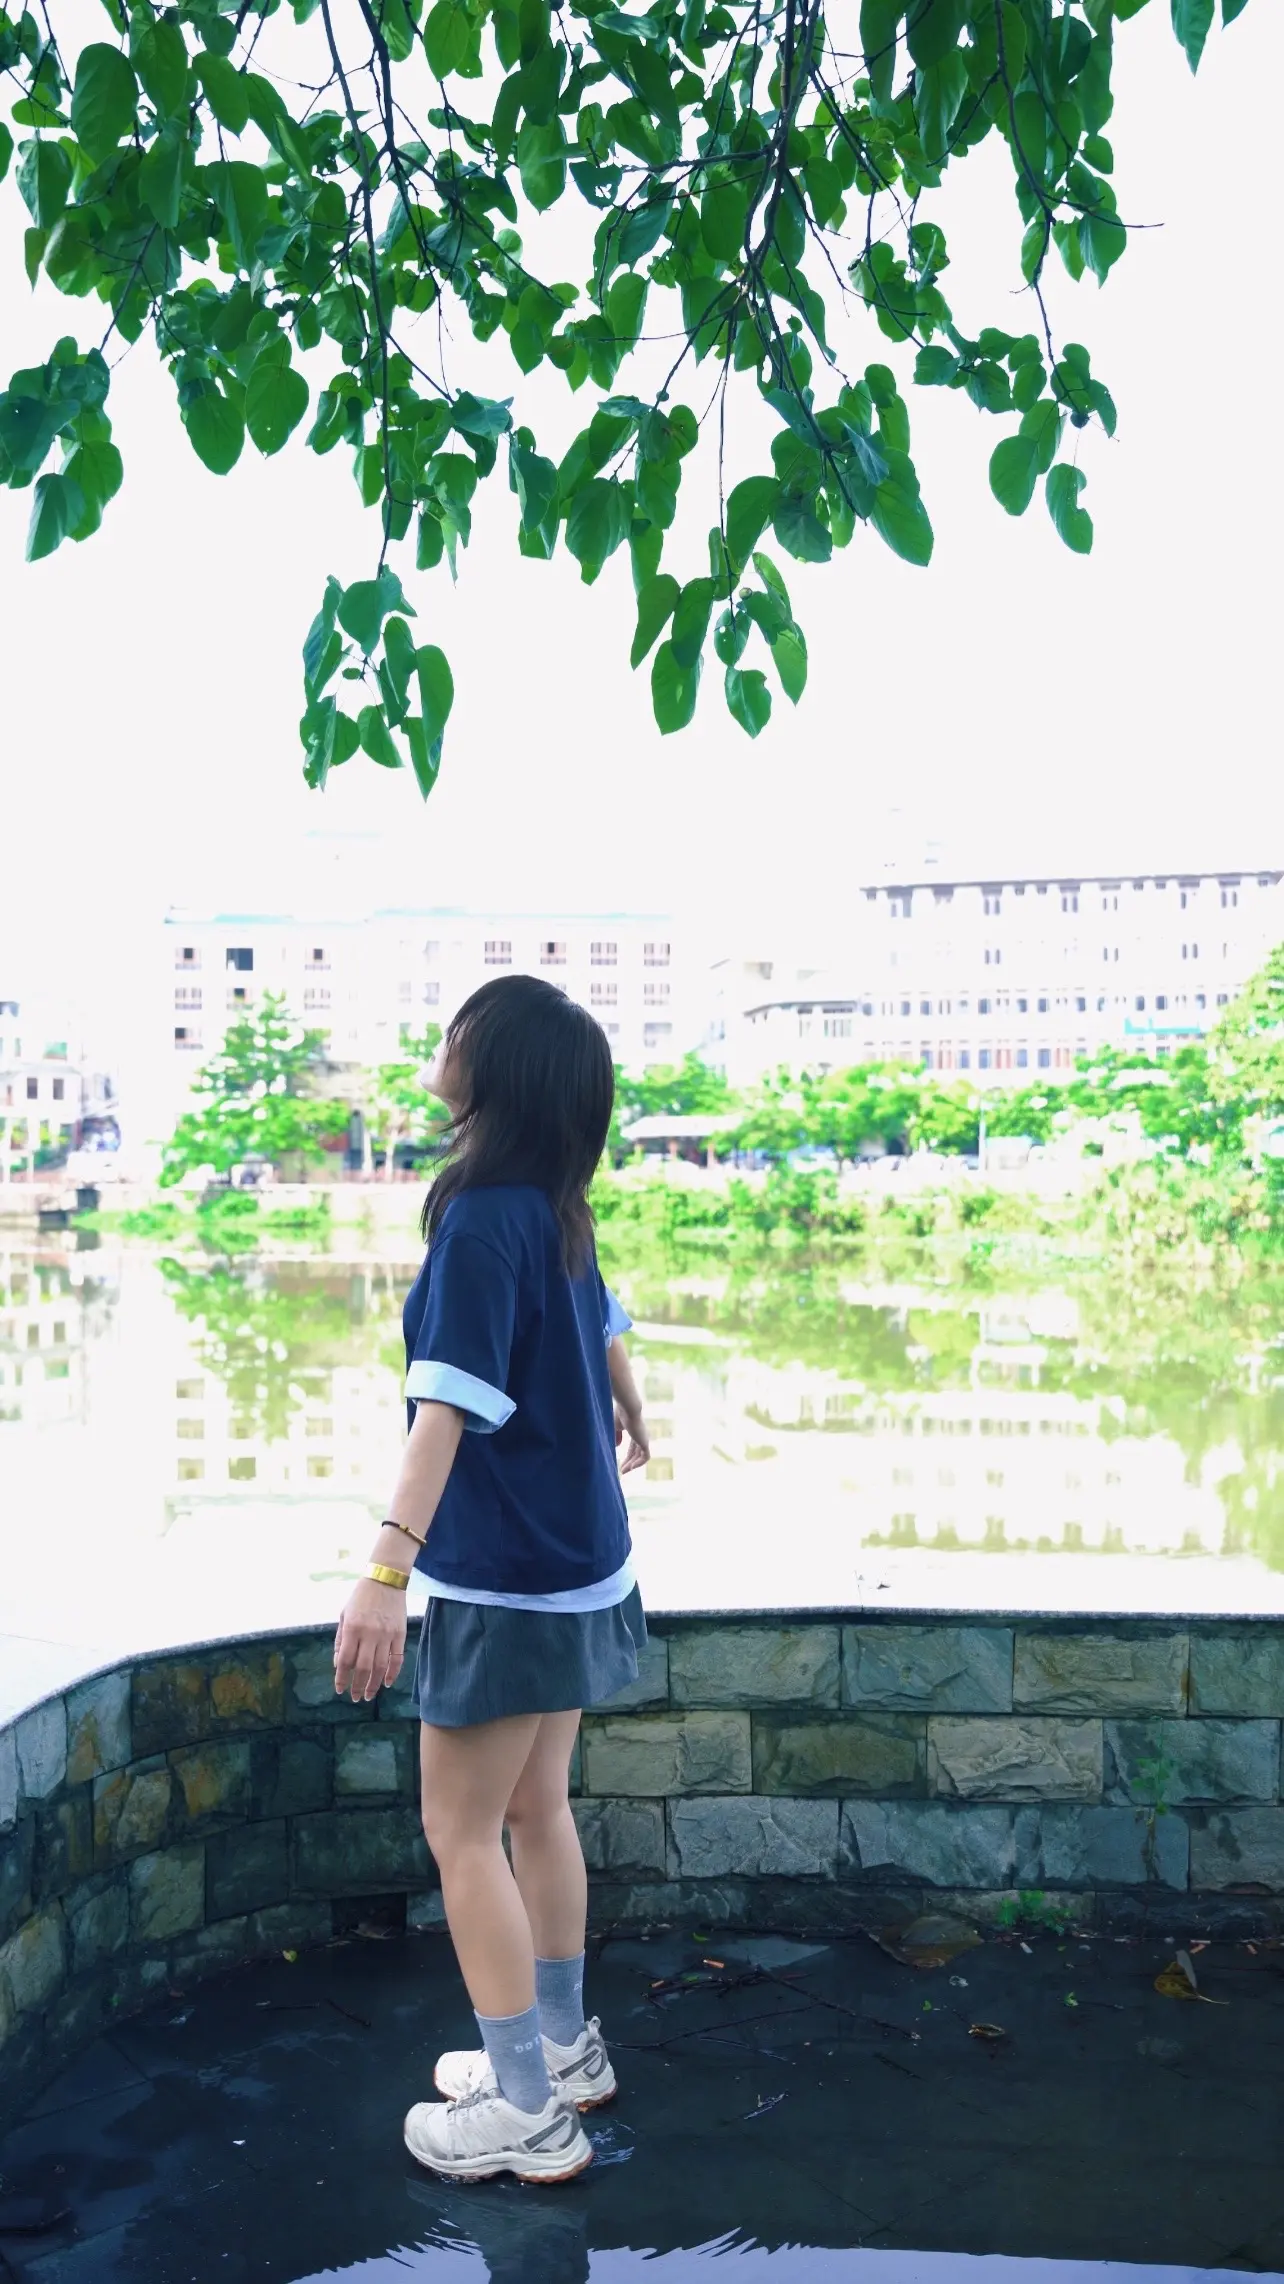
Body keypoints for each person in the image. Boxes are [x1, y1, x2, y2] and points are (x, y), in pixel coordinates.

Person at [331, 975, 650, 2187]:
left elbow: (446, 1408)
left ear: (497, 1069)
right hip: (582, 1561)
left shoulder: (484, 1217)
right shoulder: (556, 1208)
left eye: (461, 1026)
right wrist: (633, 1406)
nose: (443, 1040)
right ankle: (562, 2048)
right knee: (535, 1807)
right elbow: (603, 1319)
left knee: (460, 1830)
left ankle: (525, 2110)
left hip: (510, 1572)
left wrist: (384, 1570)